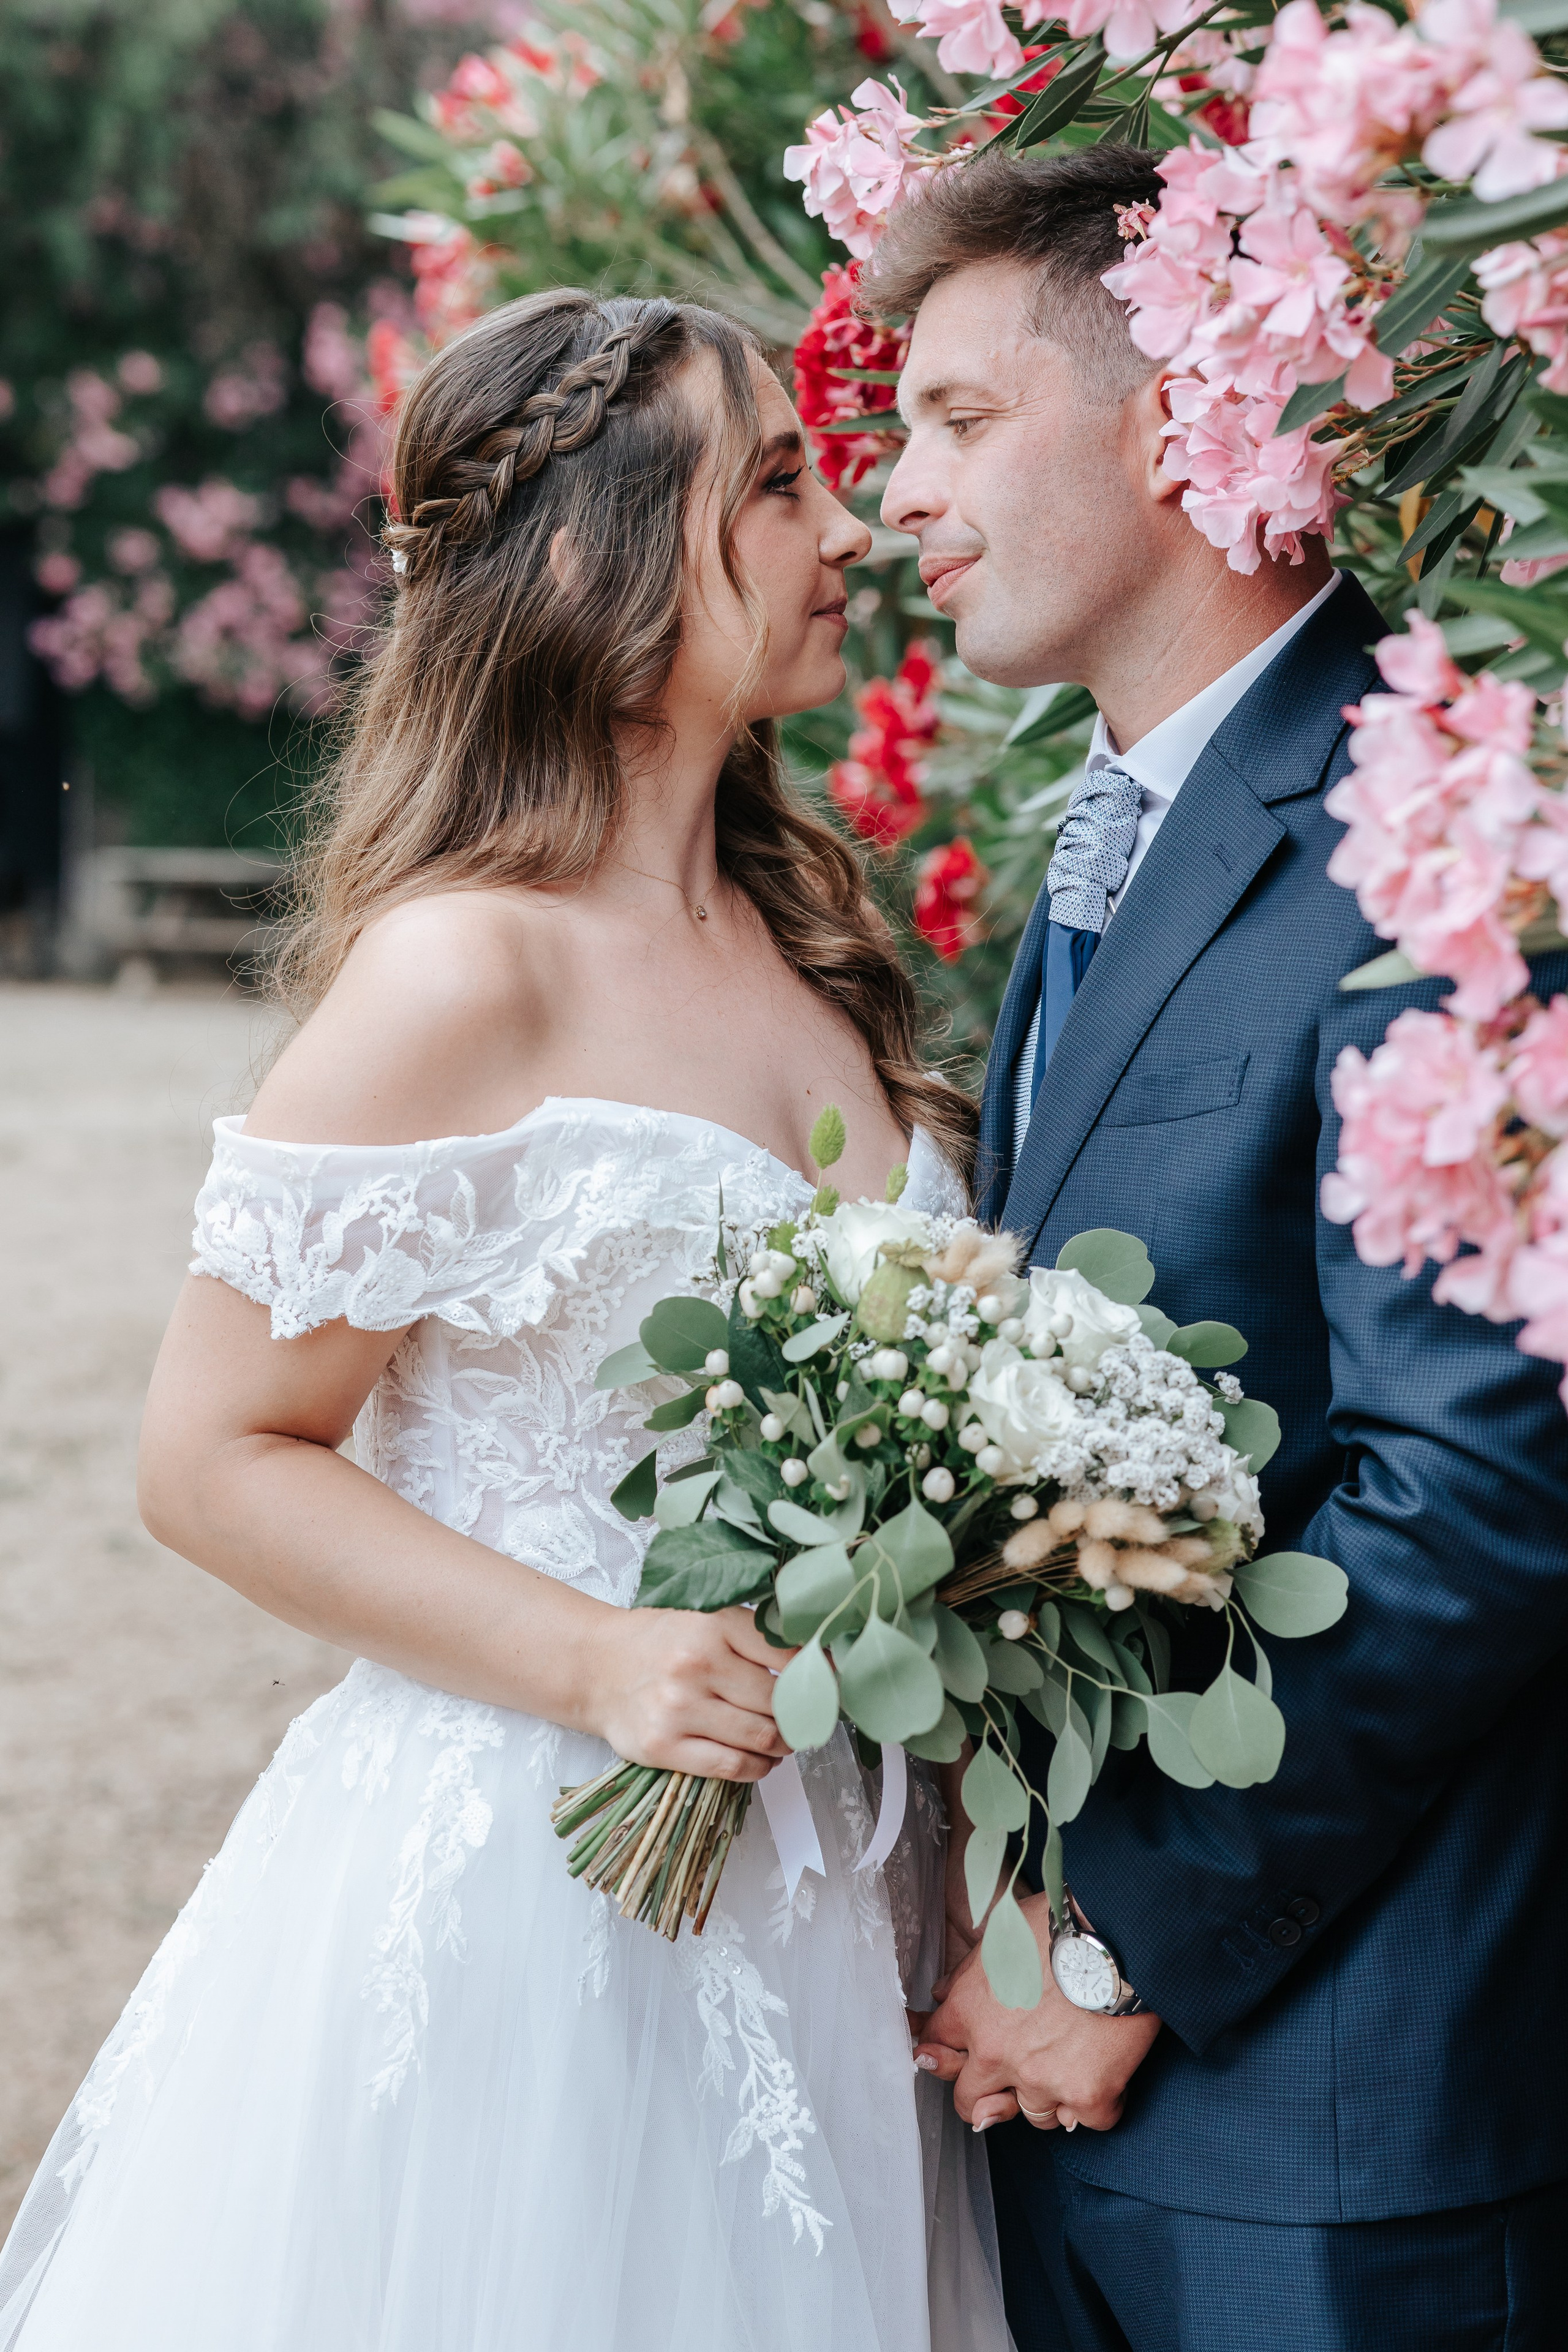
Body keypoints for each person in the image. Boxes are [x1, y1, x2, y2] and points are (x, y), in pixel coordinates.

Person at [0, 290, 1012, 2352]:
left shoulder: (809, 942)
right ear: (600, 556)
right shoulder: (464, 972)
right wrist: (601, 1658)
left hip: (842, 1907)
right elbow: (210, 1458)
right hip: (544, 1904)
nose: (853, 532)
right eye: (781, 485)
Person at [871, 146, 1568, 2351]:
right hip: (1084, 2101)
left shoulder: (1432, 826)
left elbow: (1486, 1488)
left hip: (1344, 2126)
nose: (896, 494)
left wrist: (1116, 1938)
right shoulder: (1119, 830)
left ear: (1178, 417)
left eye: (959, 418)